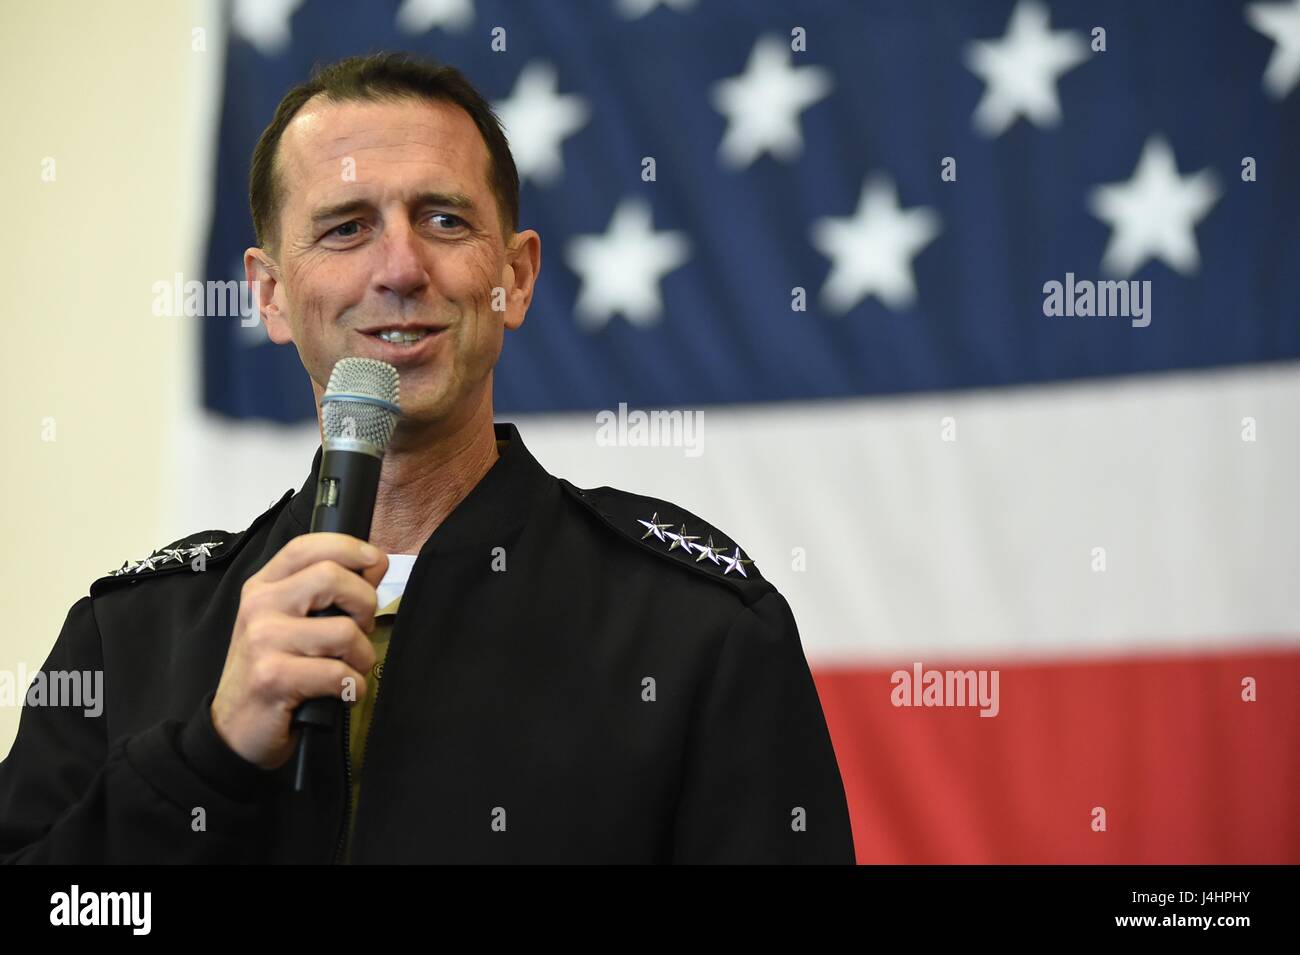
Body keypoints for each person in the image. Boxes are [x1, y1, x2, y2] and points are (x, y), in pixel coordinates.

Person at [0, 52, 854, 864]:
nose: (401, 268)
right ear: (269, 295)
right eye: (345, 228)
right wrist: (205, 755)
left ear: (515, 278)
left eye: (444, 220)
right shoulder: (127, 637)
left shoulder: (698, 627)